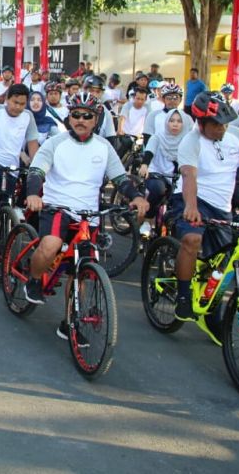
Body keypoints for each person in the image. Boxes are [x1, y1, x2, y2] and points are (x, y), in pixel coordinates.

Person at [22, 92, 149, 341]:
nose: (81, 120)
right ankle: (34, 279)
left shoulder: (104, 147)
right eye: (76, 115)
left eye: (87, 116)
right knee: (51, 244)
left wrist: (135, 196)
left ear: (96, 119)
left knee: (81, 271)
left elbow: (120, 179)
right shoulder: (55, 143)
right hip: (57, 207)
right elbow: (36, 171)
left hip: (89, 215)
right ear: (69, 117)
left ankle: (70, 323)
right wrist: (33, 194)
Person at [170, 92, 239, 322]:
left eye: (225, 123)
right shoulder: (191, 141)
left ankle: (212, 307)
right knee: (192, 240)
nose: (222, 128)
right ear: (201, 123)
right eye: (216, 125)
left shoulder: (237, 136)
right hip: (192, 198)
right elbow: (189, 175)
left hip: (222, 205)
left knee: (222, 261)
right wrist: (191, 206)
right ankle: (183, 296)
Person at [138, 108, 187, 236]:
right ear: (166, 122)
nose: (175, 124)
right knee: (157, 190)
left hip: (178, 176)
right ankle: (147, 221)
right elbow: (149, 151)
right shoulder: (158, 136)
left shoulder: (188, 140)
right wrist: (144, 165)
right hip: (157, 172)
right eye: (171, 121)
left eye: (178, 121)